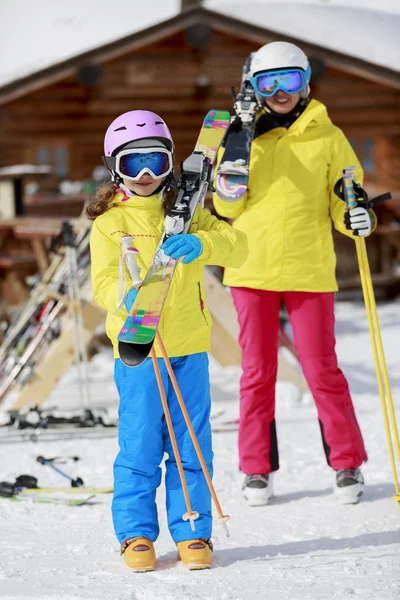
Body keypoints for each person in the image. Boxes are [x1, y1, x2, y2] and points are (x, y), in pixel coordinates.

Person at [213, 41, 375, 507]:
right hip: (250, 268)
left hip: (309, 270)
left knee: (322, 370)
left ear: (306, 83)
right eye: (269, 82)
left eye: (291, 80)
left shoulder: (328, 136)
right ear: (253, 87)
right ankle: (255, 470)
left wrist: (356, 216)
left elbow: (347, 195)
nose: (281, 91)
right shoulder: (240, 135)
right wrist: (238, 151)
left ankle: (347, 463)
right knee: (256, 373)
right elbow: (225, 207)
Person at [87, 110, 247, 571]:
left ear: (171, 163)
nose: (145, 175)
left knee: (191, 444)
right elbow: (101, 285)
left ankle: (193, 531)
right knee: (139, 444)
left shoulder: (191, 213)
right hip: (139, 350)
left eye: (155, 162)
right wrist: (127, 292)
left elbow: (240, 245)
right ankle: (136, 533)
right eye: (133, 163)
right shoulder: (109, 224)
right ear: (113, 166)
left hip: (188, 347)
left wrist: (205, 245)